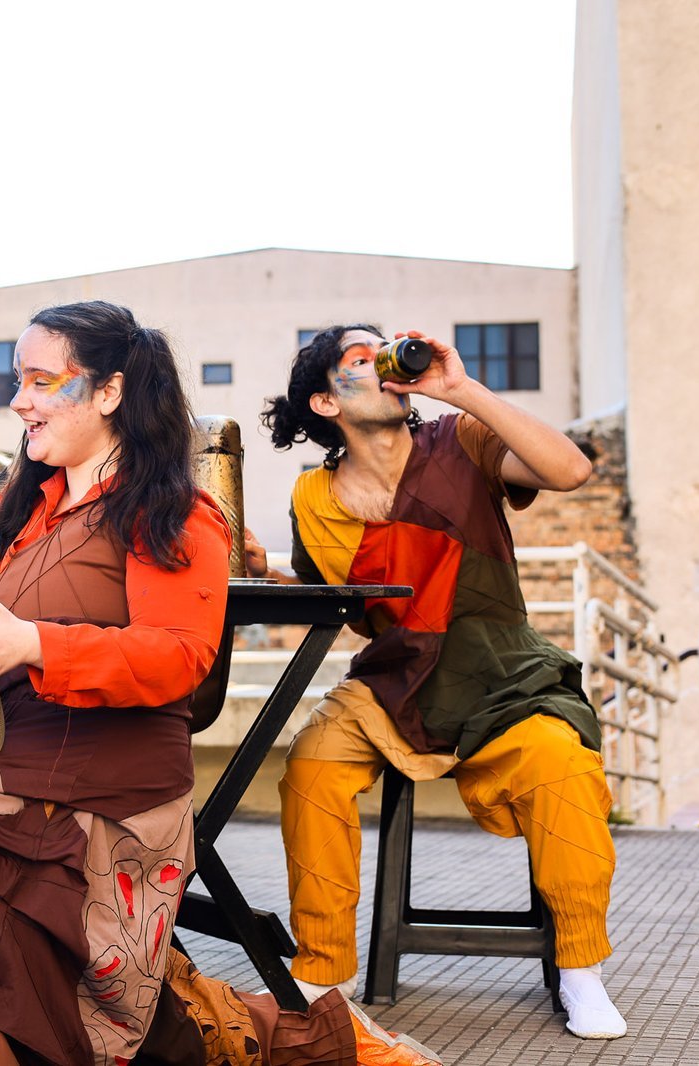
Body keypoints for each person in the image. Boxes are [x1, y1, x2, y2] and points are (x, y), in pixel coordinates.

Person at [0, 302, 437, 1065]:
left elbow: (177, 661)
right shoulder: (18, 503)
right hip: (10, 764)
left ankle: (307, 1039)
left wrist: (29, 644)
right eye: (15, 380)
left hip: (108, 787)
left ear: (108, 392)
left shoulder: (174, 513)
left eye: (40, 380)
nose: (18, 400)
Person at [249, 325, 626, 1041]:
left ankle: (581, 970)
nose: (386, 360)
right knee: (310, 769)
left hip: (502, 674)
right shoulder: (313, 497)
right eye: (361, 359)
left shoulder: (462, 439)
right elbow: (336, 595)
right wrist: (267, 569)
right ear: (327, 402)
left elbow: (572, 471)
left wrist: (462, 389)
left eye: (385, 349)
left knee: (563, 766)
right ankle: (324, 972)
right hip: (391, 681)